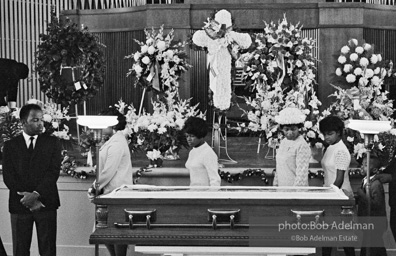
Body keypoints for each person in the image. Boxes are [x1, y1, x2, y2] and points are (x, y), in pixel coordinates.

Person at [2, 103, 62, 256]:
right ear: (23, 122)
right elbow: (9, 176)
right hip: (19, 204)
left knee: (48, 250)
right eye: (35, 120)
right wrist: (26, 198)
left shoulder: (52, 143)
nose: (40, 123)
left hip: (46, 203)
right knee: (20, 251)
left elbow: (52, 173)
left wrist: (35, 194)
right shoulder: (10, 146)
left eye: (41, 119)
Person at [87, 107, 133, 256]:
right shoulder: (113, 140)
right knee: (106, 231)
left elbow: (108, 171)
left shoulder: (117, 142)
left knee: (117, 233)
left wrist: (94, 187)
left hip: (117, 193)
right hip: (110, 193)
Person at [319, 115, 355, 256]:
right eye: (324, 134)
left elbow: (339, 180)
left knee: (345, 238)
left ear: (339, 132)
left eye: (330, 133)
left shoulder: (341, 150)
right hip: (331, 195)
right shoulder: (331, 147)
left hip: (341, 196)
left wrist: (329, 197)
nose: (326, 137)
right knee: (328, 237)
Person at [357, 155, 387, 256]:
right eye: (362, 164)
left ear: (374, 169)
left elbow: (376, 204)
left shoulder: (375, 184)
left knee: (375, 247)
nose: (362, 167)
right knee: (367, 245)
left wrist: (361, 194)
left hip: (375, 223)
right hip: (367, 221)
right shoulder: (365, 180)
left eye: (366, 165)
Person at [273, 107, 311, 186]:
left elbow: (302, 175)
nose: (290, 132)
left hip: (295, 191)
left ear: (299, 128)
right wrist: (275, 185)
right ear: (282, 129)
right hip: (282, 188)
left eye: (293, 129)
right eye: (286, 129)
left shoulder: (302, 145)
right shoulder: (283, 142)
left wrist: (294, 194)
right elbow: (279, 167)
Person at [183, 117, 221, 187]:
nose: (189, 139)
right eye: (187, 136)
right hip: (193, 193)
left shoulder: (208, 153)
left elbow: (215, 181)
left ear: (201, 135)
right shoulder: (192, 152)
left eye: (192, 136)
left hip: (204, 195)